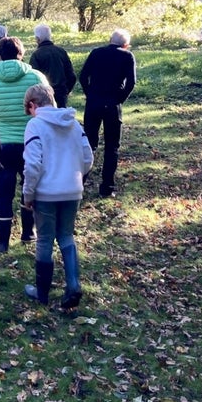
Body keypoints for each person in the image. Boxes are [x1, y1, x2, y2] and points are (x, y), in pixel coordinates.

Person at [22, 84, 94, 309]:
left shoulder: (35, 125)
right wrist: (76, 177)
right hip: (72, 190)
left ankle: (42, 292)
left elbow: (33, 165)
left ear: (33, 105)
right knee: (66, 237)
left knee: (44, 239)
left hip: (46, 192)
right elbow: (88, 157)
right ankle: (73, 284)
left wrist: (28, 194)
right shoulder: (73, 123)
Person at [0, 36, 48, 251]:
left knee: (3, 191)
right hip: (31, 141)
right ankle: (29, 232)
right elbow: (47, 107)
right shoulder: (36, 77)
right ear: (21, 53)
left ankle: (2, 241)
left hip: (0, 143)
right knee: (31, 188)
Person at [79, 29, 137, 198]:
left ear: (110, 40)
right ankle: (107, 187)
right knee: (112, 147)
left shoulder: (96, 53)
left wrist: (89, 94)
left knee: (89, 143)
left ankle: (80, 183)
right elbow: (131, 82)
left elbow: (83, 77)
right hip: (113, 105)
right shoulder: (127, 56)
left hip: (94, 103)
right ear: (126, 45)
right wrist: (120, 98)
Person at [29, 24, 77, 108]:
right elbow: (72, 76)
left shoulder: (36, 55)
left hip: (44, 95)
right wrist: (66, 91)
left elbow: (33, 78)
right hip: (61, 94)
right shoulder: (61, 51)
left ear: (37, 39)